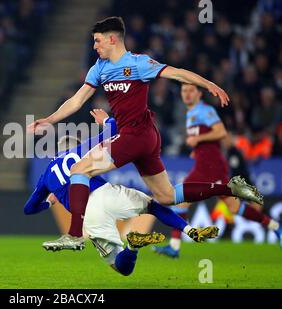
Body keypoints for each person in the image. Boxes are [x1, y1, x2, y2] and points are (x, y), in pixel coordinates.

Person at [27, 16, 263, 248]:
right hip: (146, 138)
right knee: (167, 196)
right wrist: (49, 119)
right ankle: (230, 188)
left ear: (112, 39)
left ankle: (75, 235)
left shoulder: (138, 63)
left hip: (134, 135)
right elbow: (76, 101)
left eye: (98, 41)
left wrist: (209, 84)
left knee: (79, 170)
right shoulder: (99, 68)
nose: (94, 46)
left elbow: (178, 73)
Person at [24, 109, 218, 275]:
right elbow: (121, 128)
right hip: (107, 193)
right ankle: (189, 230)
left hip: (89, 215)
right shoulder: (83, 149)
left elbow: (29, 209)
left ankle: (132, 246)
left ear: (57, 152)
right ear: (74, 145)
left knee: (121, 267)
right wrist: (106, 120)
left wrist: (50, 201)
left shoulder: (46, 176)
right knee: (153, 206)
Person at [153, 84, 282, 257]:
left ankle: (175, 247)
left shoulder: (204, 111)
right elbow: (207, 141)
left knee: (179, 200)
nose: (187, 94)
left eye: (191, 91)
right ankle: (275, 226)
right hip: (207, 165)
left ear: (199, 94)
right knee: (234, 207)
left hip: (210, 167)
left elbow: (220, 132)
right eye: (184, 91)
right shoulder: (191, 114)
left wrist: (198, 138)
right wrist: (197, 149)